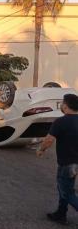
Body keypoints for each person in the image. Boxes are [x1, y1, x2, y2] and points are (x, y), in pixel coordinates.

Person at [36, 94, 78, 225]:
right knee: (65, 188)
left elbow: (49, 140)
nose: (61, 105)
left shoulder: (60, 122)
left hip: (67, 163)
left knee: (66, 191)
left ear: (65, 105)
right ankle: (61, 214)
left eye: (62, 103)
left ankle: (61, 213)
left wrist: (41, 149)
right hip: (75, 162)